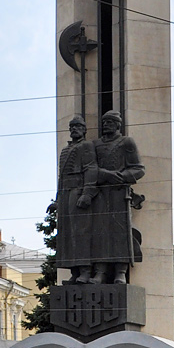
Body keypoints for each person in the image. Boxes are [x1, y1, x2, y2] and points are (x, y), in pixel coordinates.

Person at [77, 110, 144, 284]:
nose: (106, 125)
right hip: (99, 194)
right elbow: (89, 168)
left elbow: (139, 169)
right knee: (99, 233)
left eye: (110, 122)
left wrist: (122, 176)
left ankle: (120, 272)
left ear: (118, 125)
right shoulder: (95, 145)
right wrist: (104, 174)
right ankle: (100, 272)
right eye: (104, 122)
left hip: (119, 194)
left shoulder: (126, 142)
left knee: (120, 232)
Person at [53, 115, 97, 283]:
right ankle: (74, 271)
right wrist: (57, 200)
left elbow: (91, 169)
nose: (74, 130)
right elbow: (61, 177)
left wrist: (87, 193)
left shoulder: (86, 146)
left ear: (84, 130)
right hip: (65, 192)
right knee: (67, 234)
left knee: (81, 232)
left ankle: (85, 270)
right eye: (72, 127)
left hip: (78, 190)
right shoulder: (65, 150)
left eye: (78, 127)